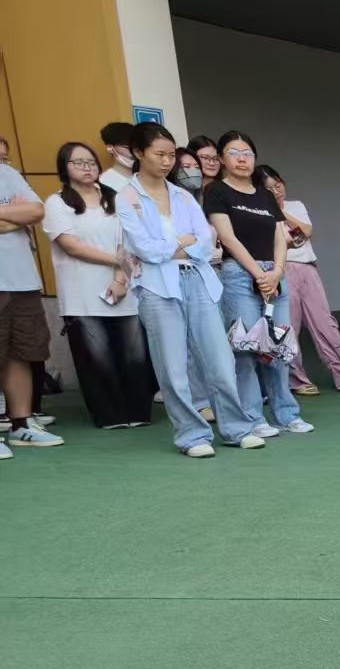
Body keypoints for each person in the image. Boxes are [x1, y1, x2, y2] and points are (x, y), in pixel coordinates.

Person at [116, 123, 261, 457]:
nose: (167, 161)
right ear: (139, 153)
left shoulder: (182, 195)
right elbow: (144, 248)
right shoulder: (126, 197)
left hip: (197, 278)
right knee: (173, 366)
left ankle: (236, 428)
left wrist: (177, 246)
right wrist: (181, 242)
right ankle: (192, 436)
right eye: (160, 154)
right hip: (156, 286)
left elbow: (206, 242)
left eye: (171, 155)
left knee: (220, 359)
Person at [203, 130, 313, 437]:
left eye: (247, 153)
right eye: (234, 153)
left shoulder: (264, 194)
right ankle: (252, 417)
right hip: (239, 274)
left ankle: (286, 413)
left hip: (274, 274)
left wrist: (276, 271)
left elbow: (280, 236)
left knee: (278, 346)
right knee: (246, 348)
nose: (242, 159)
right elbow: (227, 238)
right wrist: (258, 274)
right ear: (222, 159)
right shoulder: (217, 192)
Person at [42, 141, 153, 428]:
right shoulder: (58, 202)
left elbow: (128, 240)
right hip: (82, 294)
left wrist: (120, 277)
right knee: (96, 357)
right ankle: (110, 416)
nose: (87, 167)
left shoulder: (115, 198)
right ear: (64, 168)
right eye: (78, 162)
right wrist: (116, 261)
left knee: (135, 354)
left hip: (124, 289)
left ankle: (138, 412)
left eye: (91, 162)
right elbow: (71, 246)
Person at [256, 165, 340, 397]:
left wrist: (279, 211)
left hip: (308, 267)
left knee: (326, 324)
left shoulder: (295, 206)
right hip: (281, 270)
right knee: (288, 325)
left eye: (278, 185)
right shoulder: (259, 212)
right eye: (268, 189)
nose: (276, 191)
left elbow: (306, 232)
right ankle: (297, 380)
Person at [0, 148, 63, 453]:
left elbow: (37, 211)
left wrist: (14, 219)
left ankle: (21, 424)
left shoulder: (7, 173)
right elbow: (24, 215)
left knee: (21, 352)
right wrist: (13, 215)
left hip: (21, 280)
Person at [97, 121, 135, 194]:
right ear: (110, 148)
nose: (133, 152)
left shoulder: (147, 175)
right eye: (127, 147)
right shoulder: (103, 181)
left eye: (136, 147)